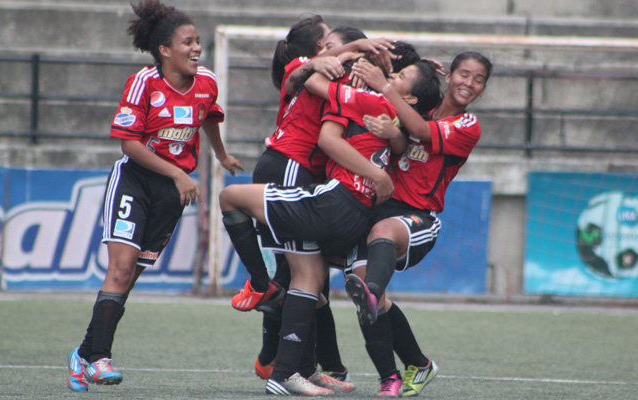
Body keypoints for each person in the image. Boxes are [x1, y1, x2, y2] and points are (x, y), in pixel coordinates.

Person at [218, 57, 440, 396]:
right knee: (308, 278)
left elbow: (313, 87)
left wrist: (336, 60)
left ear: (409, 99)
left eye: (400, 75)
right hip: (353, 216)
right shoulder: (391, 115)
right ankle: (284, 374)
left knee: (230, 196)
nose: (390, 75)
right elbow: (398, 144)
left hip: (333, 202)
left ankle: (263, 285)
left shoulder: (370, 99)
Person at [65, 0, 242, 392]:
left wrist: (221, 154)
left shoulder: (207, 83)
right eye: (188, 42)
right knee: (121, 269)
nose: (197, 48)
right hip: (136, 181)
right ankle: (99, 359)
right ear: (165, 50)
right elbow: (129, 143)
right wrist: (180, 173)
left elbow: (209, 116)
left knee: (129, 280)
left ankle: (83, 352)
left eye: (198, 41)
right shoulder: (144, 83)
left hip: (171, 195)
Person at [345, 51, 493, 397]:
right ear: (450, 75)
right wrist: (419, 65)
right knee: (371, 303)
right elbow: (403, 85)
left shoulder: (467, 126)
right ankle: (404, 371)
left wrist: (384, 86)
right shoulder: (418, 106)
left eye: (478, 79)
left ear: (483, 90)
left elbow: (419, 130)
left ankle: (371, 294)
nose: (469, 83)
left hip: (418, 218)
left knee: (374, 273)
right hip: (375, 211)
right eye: (464, 74)